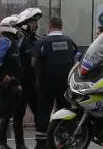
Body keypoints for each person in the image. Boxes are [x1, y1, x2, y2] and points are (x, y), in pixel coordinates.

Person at [31, 17, 77, 149]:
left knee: (44, 110)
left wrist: (41, 72)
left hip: (47, 82)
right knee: (65, 110)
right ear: (61, 26)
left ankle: (41, 144)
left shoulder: (42, 42)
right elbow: (75, 62)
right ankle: (64, 139)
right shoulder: (70, 42)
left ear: (49, 26)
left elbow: (33, 63)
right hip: (65, 83)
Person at [0, 15, 24, 149]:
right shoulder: (5, 41)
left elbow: (15, 65)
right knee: (5, 114)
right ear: (8, 27)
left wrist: (16, 82)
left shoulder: (12, 41)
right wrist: (2, 76)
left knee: (8, 113)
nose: (18, 29)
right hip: (5, 84)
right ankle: (0, 143)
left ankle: (2, 143)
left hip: (11, 83)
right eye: (15, 26)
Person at [12, 7, 43, 149]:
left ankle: (40, 144)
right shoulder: (18, 41)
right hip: (21, 84)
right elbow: (14, 63)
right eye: (31, 22)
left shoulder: (37, 40)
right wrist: (16, 82)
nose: (35, 25)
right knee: (19, 115)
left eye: (35, 22)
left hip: (34, 84)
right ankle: (20, 145)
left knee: (39, 114)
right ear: (24, 24)